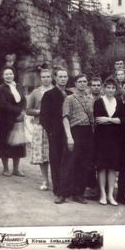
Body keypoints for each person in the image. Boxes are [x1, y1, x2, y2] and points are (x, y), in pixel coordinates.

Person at [60, 74, 95, 204]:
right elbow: (65, 118)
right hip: (75, 131)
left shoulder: (90, 99)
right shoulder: (69, 98)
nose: (82, 84)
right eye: (80, 81)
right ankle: (62, 193)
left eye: (85, 81)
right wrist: (69, 137)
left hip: (87, 132)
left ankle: (78, 193)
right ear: (75, 83)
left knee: (84, 164)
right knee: (68, 163)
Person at [40, 67, 71, 203]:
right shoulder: (49, 95)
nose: (63, 79)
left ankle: (69, 189)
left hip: (70, 133)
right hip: (56, 134)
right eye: (60, 76)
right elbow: (43, 117)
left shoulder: (70, 94)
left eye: (65, 76)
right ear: (56, 78)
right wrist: (51, 132)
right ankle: (59, 191)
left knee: (69, 161)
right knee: (56, 161)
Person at [93, 78, 124, 206]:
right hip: (101, 139)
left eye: (113, 88)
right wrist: (113, 120)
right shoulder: (99, 102)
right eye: (108, 87)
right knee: (102, 166)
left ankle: (111, 194)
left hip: (115, 140)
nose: (110, 90)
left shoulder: (119, 102)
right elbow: (97, 119)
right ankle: (103, 194)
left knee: (112, 167)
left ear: (115, 89)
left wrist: (107, 119)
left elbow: (122, 120)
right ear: (104, 88)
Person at [26, 68, 54, 190]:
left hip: (55, 127)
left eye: (48, 76)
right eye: (43, 77)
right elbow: (28, 110)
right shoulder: (36, 92)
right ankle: (45, 180)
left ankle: (56, 180)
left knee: (54, 154)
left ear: (52, 78)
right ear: (40, 78)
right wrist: (39, 112)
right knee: (43, 155)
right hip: (40, 126)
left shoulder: (56, 90)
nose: (46, 79)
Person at [0, 66, 27, 177]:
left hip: (19, 118)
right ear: (3, 76)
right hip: (5, 118)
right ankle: (5, 169)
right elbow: (4, 105)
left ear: (14, 75)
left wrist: (23, 112)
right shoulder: (0, 88)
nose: (9, 76)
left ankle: (16, 169)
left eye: (11, 74)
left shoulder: (19, 86)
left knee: (17, 142)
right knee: (5, 142)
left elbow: (24, 100)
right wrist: (19, 112)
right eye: (6, 74)